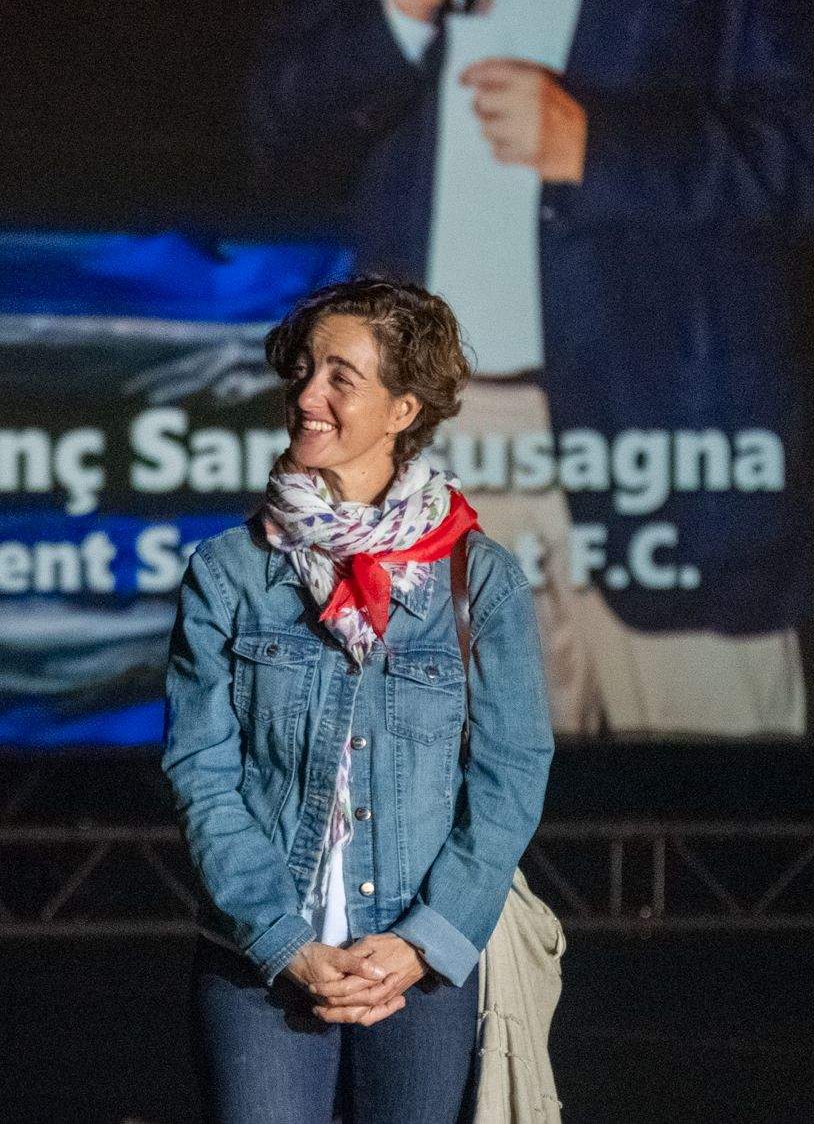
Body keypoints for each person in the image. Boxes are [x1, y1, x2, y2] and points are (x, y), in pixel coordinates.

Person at [250, 0, 814, 736]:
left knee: (705, 853)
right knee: (457, 860)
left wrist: (597, 146)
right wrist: (398, 0)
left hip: (664, 440)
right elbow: (281, 123)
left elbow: (807, 155)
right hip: (430, 449)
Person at [164, 276, 554, 1122]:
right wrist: (287, 942)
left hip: (420, 967)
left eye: (342, 376)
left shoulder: (477, 578)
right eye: (305, 370)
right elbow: (201, 773)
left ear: (404, 409)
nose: (308, 396)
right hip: (259, 963)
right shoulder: (229, 572)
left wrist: (424, 944)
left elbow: (511, 772)